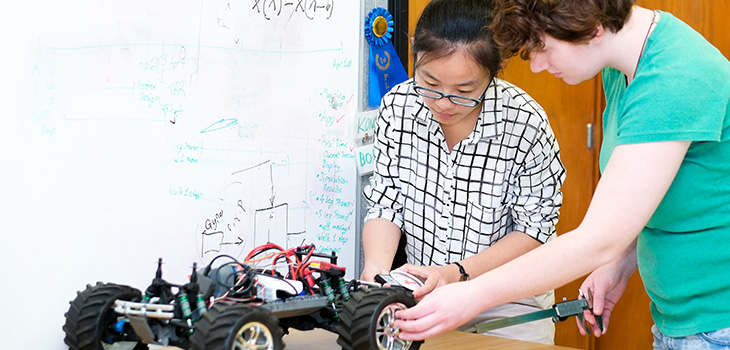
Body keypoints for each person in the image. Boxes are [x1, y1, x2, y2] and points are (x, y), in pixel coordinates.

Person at [394, 0, 730, 348]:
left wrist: (472, 294)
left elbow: (600, 237)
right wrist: (619, 264)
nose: (537, 65)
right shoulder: (626, 65)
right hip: (679, 319)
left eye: (543, 47)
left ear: (591, 29)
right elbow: (654, 195)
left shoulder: (674, 80)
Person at [360, 0, 566, 344]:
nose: (442, 103)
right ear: (415, 55)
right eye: (430, 81)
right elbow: (386, 202)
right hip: (426, 294)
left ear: (495, 70)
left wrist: (455, 274)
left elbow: (534, 231)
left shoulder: (525, 123)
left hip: (508, 302)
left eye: (464, 91)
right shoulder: (398, 108)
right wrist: (378, 270)